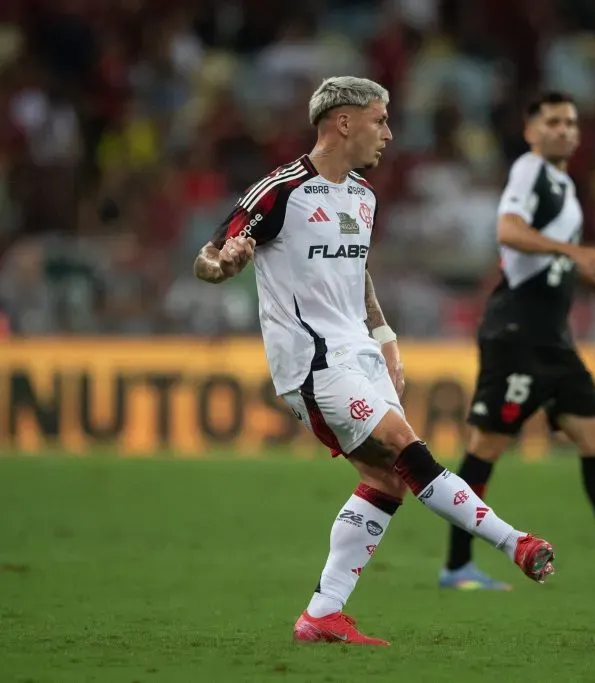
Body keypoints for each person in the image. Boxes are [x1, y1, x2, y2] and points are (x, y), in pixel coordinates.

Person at [193, 77, 555, 646]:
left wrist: (385, 338)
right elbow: (208, 259)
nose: (388, 133)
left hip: (358, 353)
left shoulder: (363, 197)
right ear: (343, 121)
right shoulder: (279, 191)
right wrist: (227, 263)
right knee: (404, 446)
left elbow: (356, 276)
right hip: (311, 362)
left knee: (384, 477)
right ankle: (516, 542)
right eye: (380, 120)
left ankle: (322, 614)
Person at [438, 91, 595, 591]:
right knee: (485, 446)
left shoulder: (566, 188)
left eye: (570, 122)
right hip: (518, 333)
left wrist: (583, 276)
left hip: (554, 338)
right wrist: (573, 252)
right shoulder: (530, 170)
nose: (563, 130)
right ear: (531, 131)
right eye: (552, 121)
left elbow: (543, 256)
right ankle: (456, 566)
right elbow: (509, 231)